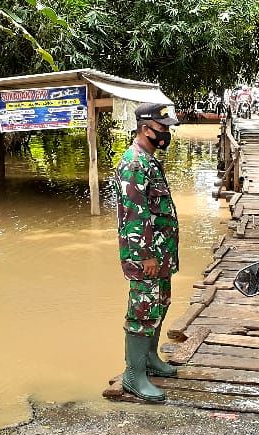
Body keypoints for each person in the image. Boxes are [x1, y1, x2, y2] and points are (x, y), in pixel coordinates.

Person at [114, 103, 181, 402]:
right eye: (162, 129)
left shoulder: (149, 161)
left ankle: (151, 358)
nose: (166, 135)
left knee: (159, 303)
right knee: (142, 310)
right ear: (145, 129)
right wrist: (145, 256)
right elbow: (134, 215)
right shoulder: (133, 163)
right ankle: (133, 375)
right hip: (146, 256)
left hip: (160, 252)